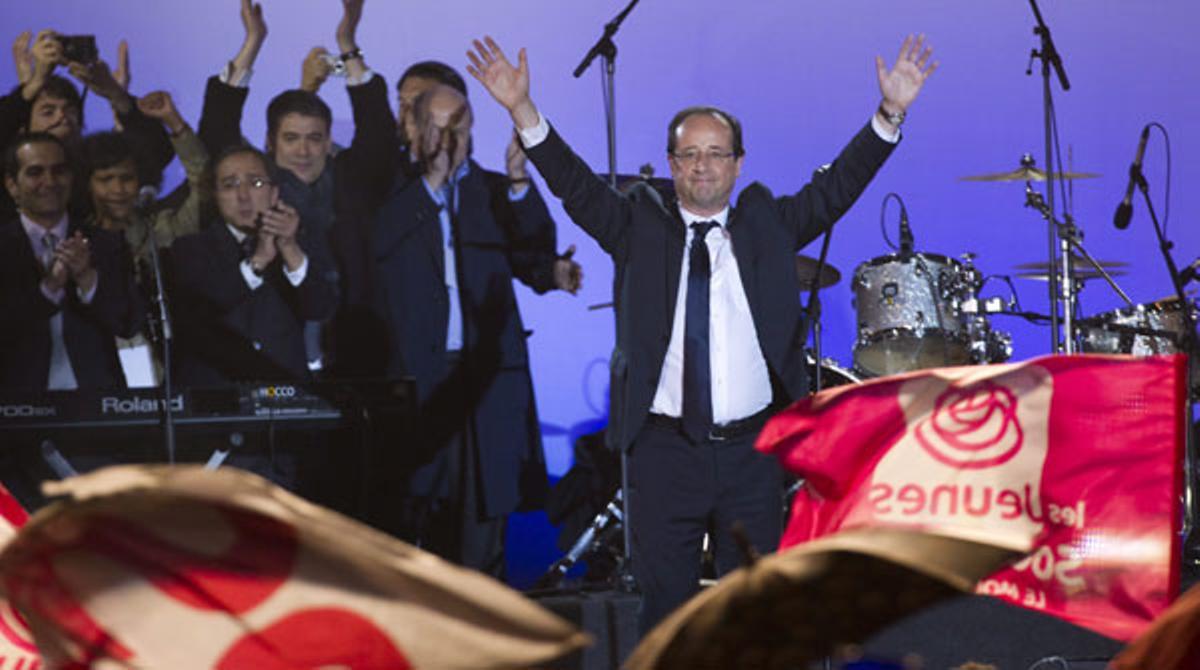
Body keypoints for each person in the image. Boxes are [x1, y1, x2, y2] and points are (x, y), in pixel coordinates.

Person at [467, 33, 937, 629]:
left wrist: (889, 114)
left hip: (751, 455)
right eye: (690, 154)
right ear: (672, 165)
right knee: (667, 615)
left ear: (738, 164)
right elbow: (577, 187)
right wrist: (522, 111)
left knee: (758, 618)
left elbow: (835, 189)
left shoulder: (767, 223)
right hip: (665, 454)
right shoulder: (637, 224)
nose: (703, 165)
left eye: (716, 153)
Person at [371, 82, 578, 578]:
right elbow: (377, 248)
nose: (449, 139)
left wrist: (518, 180)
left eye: (458, 128)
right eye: (438, 127)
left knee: (486, 520)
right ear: (415, 129)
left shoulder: (489, 189)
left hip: (486, 382)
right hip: (421, 381)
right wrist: (432, 184)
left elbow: (533, 254)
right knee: (423, 513)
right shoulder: (389, 190)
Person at [196, 0, 395, 378]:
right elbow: (218, 129)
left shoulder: (350, 181)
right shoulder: (252, 189)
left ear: (328, 141)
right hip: (270, 359)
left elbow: (379, 134)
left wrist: (348, 44)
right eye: (291, 139)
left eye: (314, 139)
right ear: (271, 142)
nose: (304, 151)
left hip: (352, 358)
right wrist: (253, 41)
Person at [169, 144, 338, 386]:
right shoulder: (189, 249)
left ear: (275, 193)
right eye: (230, 185)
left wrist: (289, 247)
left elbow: (320, 308)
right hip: (217, 395)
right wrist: (257, 261)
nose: (243, 196)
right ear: (215, 196)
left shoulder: (301, 243)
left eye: (256, 183)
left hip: (287, 391)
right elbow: (202, 311)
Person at [79, 91, 208, 385]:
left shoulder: (160, 228)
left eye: (126, 178)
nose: (118, 189)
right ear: (86, 184)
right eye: (105, 179)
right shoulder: (76, 239)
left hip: (164, 370)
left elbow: (204, 185)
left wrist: (174, 123)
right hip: (96, 373)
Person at [0, 132, 143, 391]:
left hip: (96, 401)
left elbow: (129, 323)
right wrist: (50, 288)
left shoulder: (106, 243)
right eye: (35, 172)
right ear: (12, 184)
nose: (50, 181)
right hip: (14, 407)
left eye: (59, 171)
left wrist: (88, 279)